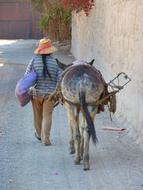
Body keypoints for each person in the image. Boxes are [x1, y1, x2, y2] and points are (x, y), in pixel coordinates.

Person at [25, 38, 61, 145]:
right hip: (50, 95)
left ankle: (40, 134)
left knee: (37, 116)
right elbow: (60, 78)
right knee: (47, 116)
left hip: (36, 94)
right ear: (50, 50)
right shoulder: (55, 63)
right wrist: (57, 91)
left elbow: (27, 76)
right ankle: (46, 138)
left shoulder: (34, 61)